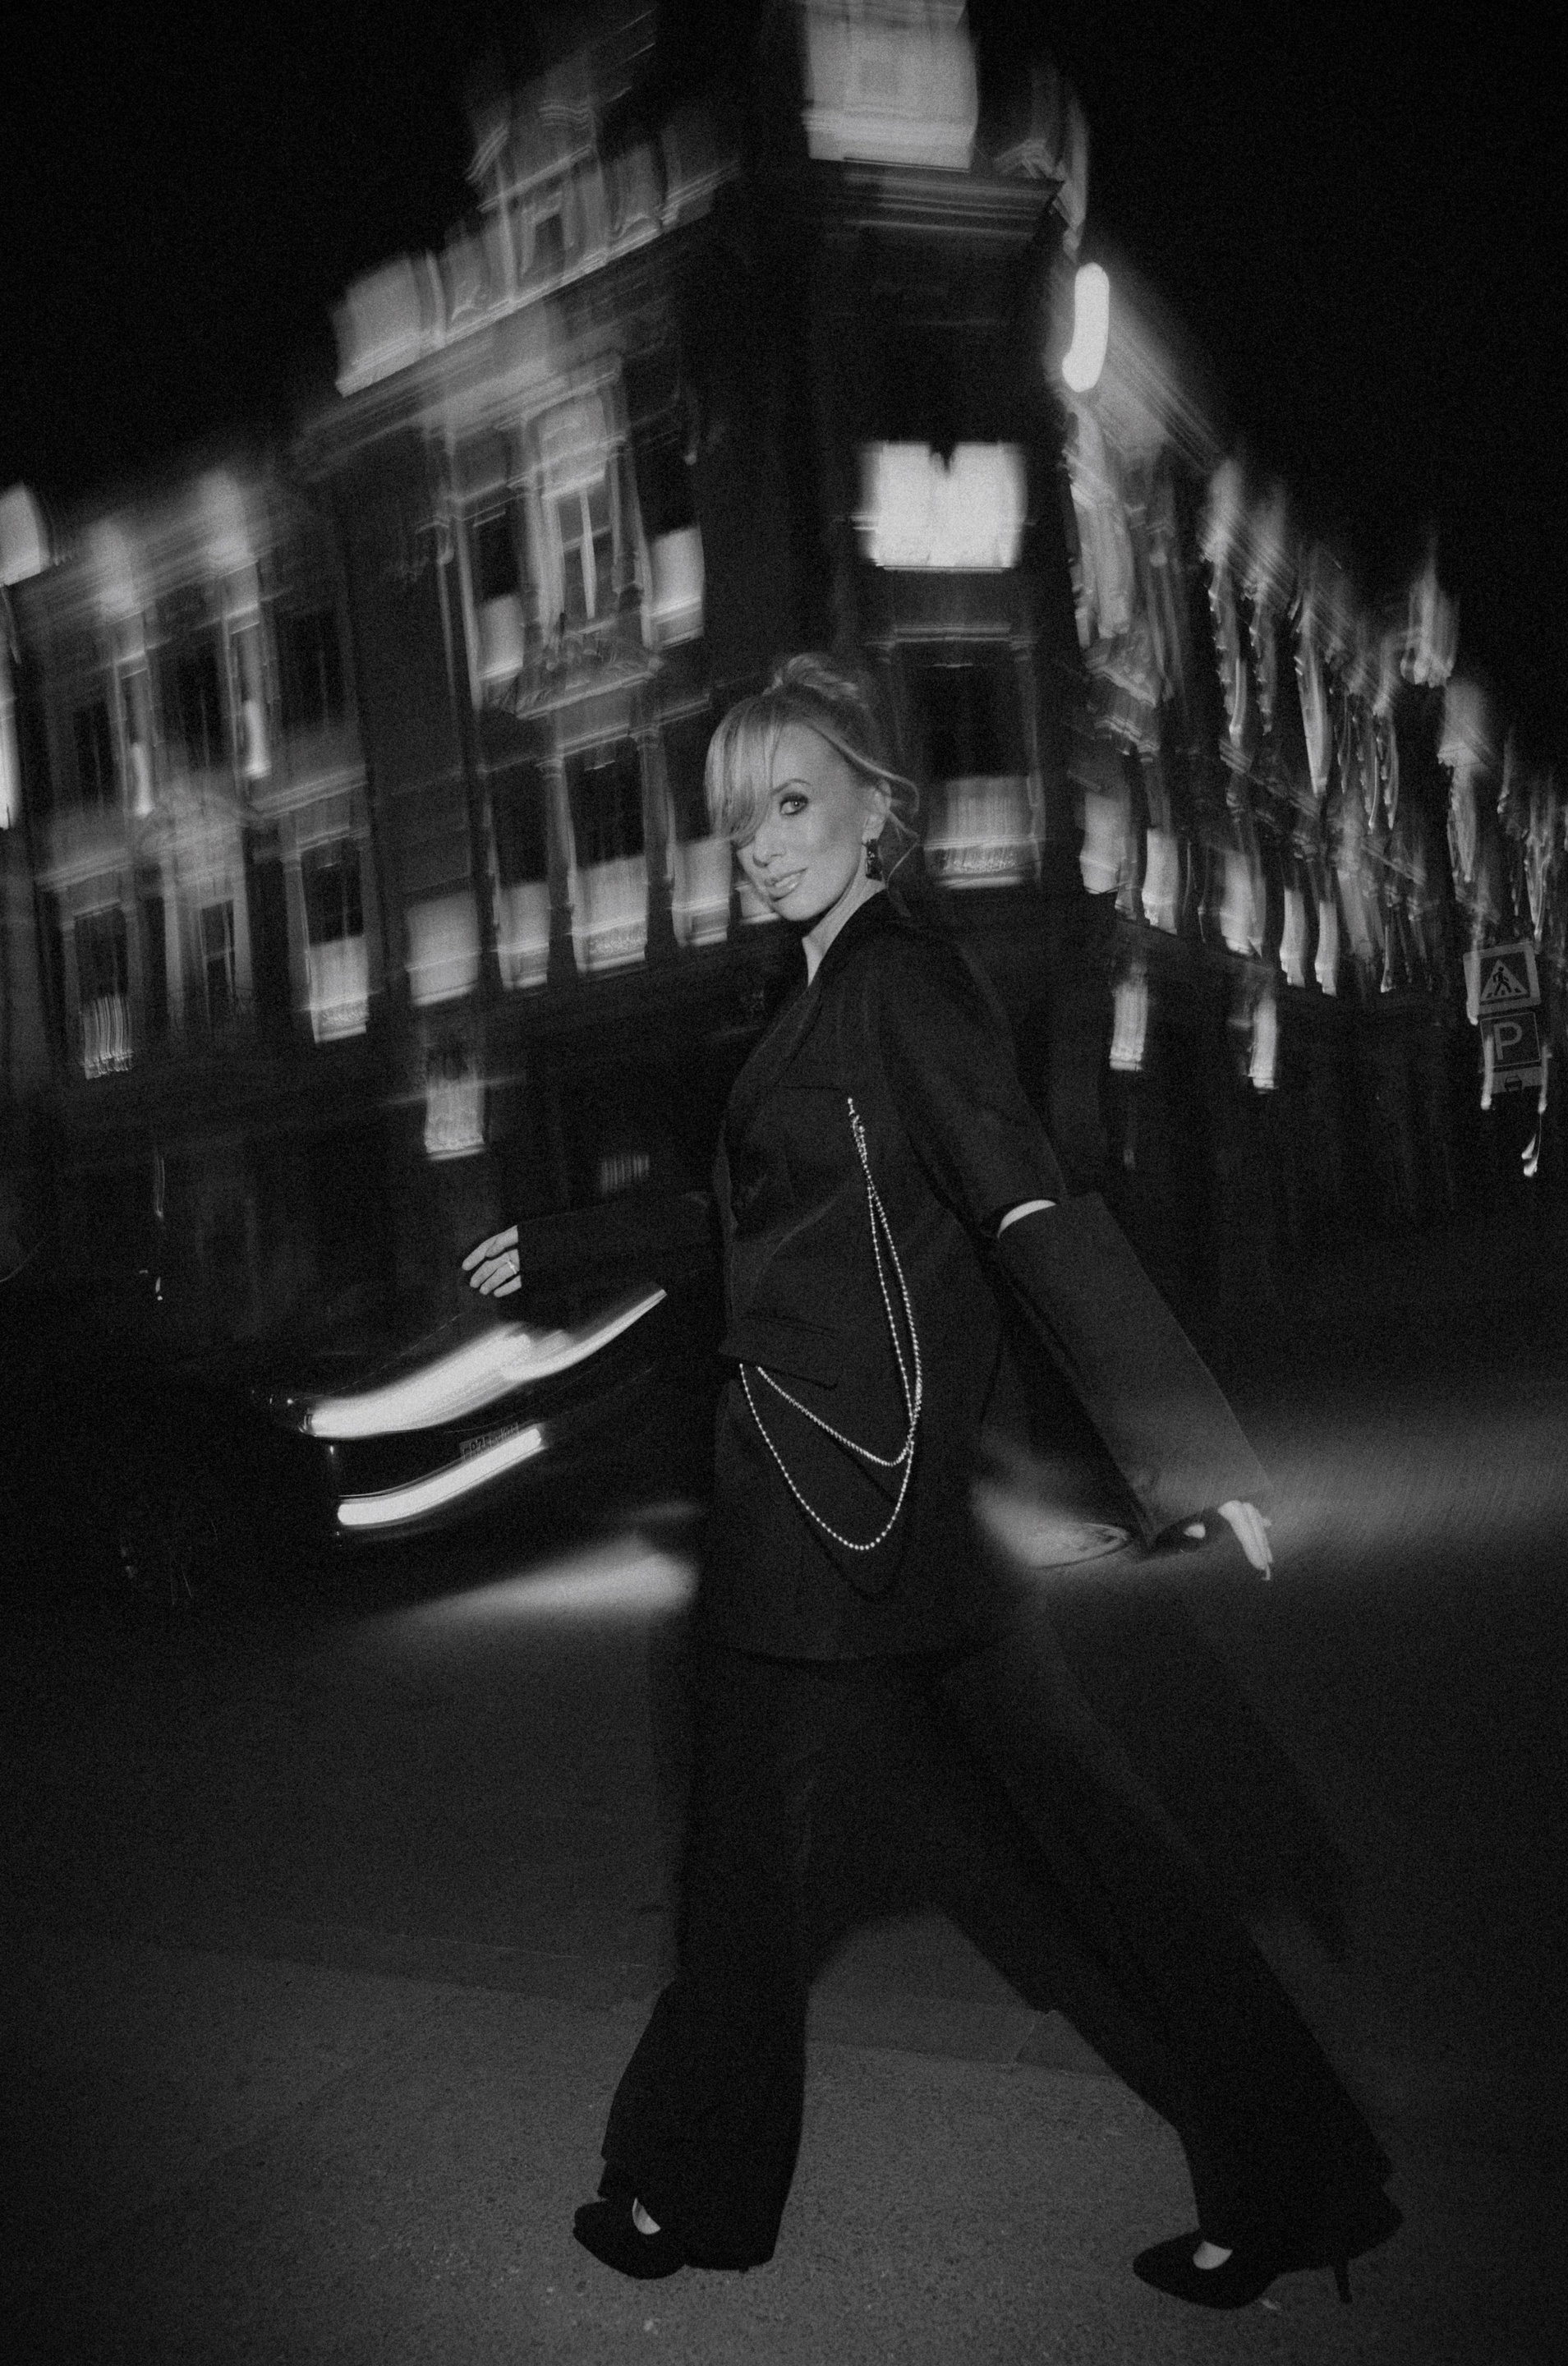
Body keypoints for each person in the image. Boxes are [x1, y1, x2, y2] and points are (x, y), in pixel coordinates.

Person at [465, 654, 1399, 2309]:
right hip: (888, 1518)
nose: (763, 843)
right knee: (1065, 1853)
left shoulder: (900, 986)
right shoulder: (814, 1002)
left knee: (775, 1883)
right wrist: (559, 1241)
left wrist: (1186, 1443)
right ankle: (1300, 2185)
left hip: (827, 1511)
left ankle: (696, 2193)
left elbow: (1026, 1202)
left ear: (877, 808)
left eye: (794, 802)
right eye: (740, 817)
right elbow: (746, 1227)